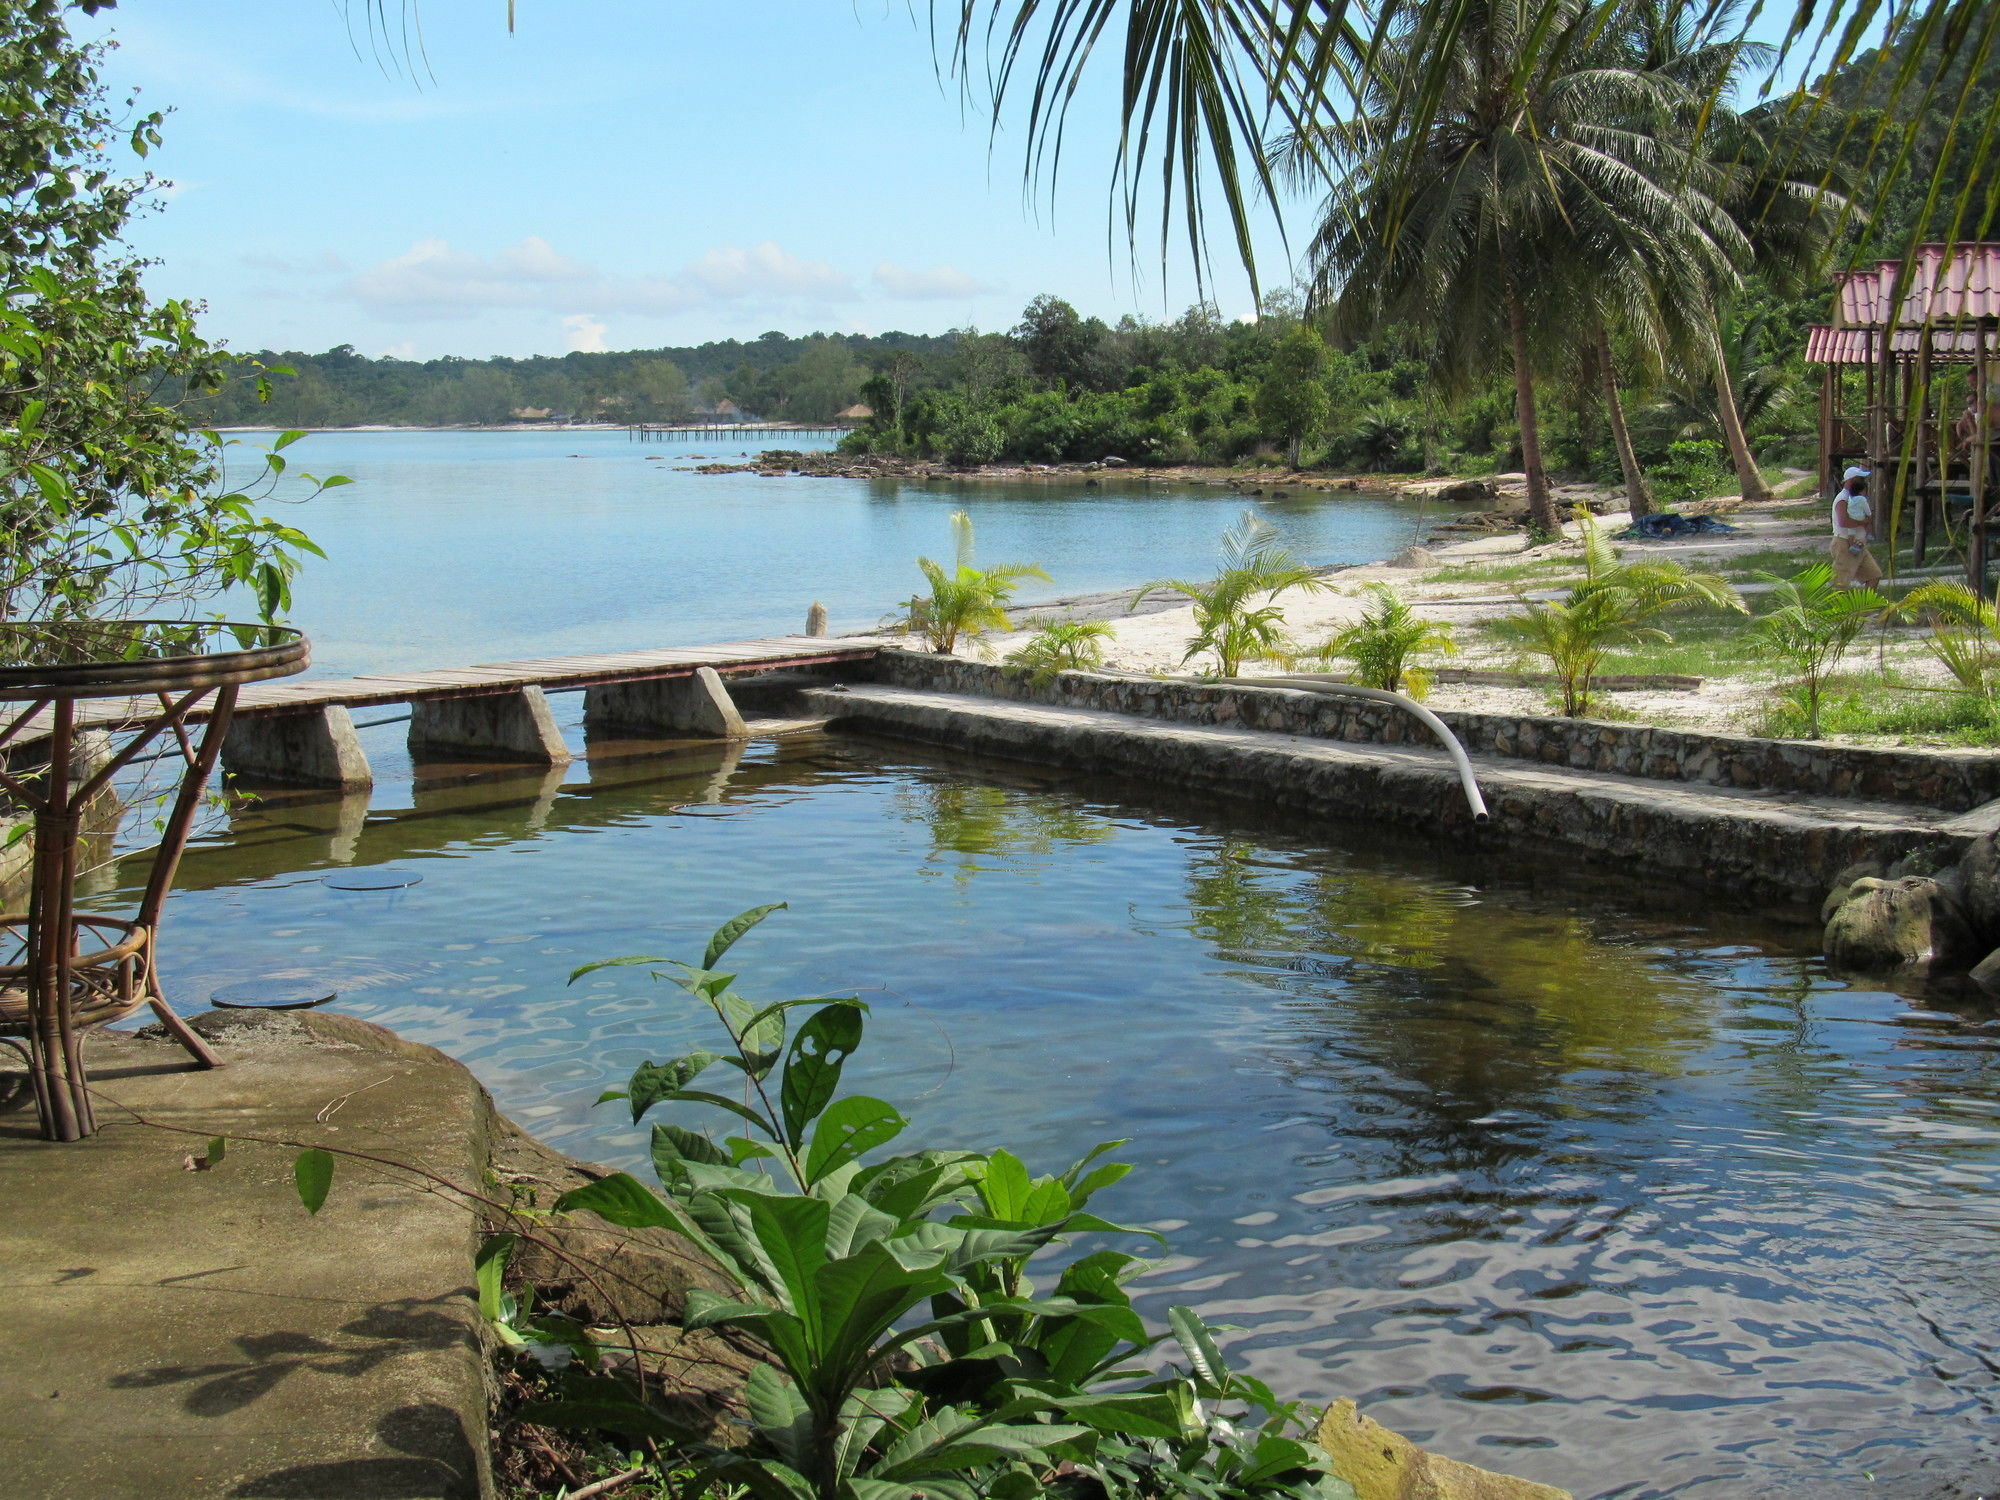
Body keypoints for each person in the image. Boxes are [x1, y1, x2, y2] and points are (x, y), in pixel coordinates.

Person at [1830, 466, 1881, 589]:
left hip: (1859, 544)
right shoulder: (1842, 498)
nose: (1863, 482)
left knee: (1874, 575)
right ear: (1852, 480)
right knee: (1841, 583)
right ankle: (1840, 607)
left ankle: (1865, 606)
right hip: (1844, 543)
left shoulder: (1858, 498)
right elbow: (1844, 522)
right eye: (1860, 479)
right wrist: (1864, 522)